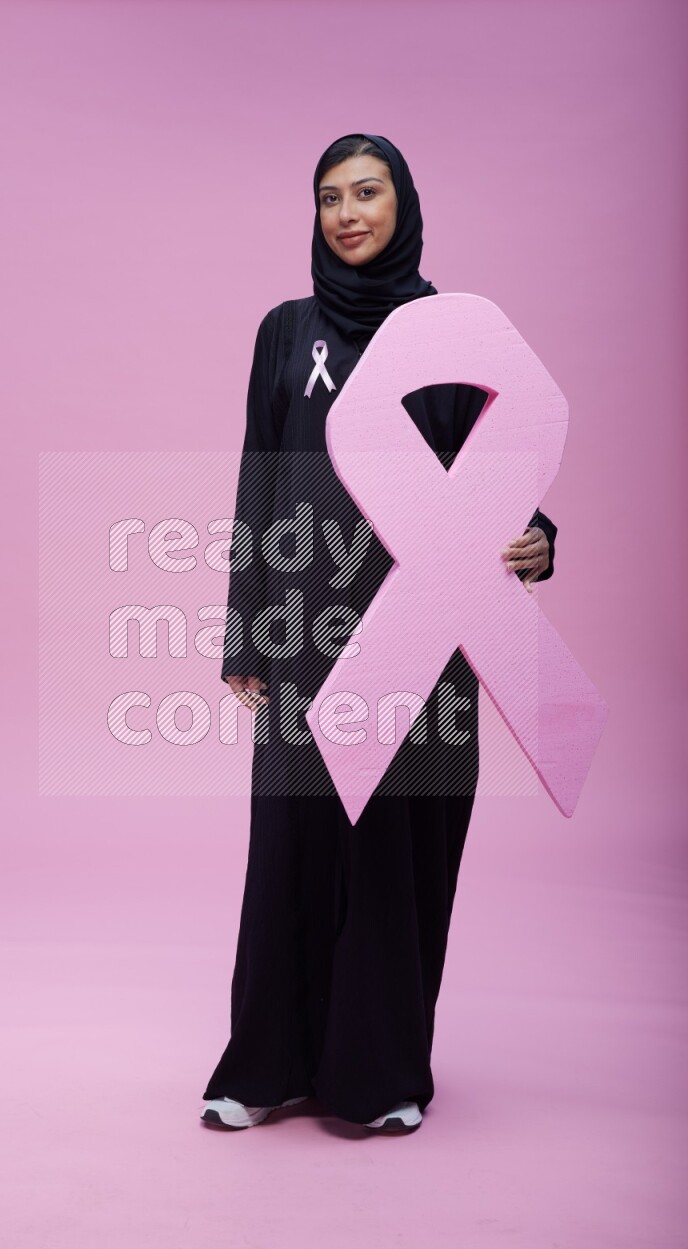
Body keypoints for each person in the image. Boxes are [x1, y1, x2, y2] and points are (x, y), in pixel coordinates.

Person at [200, 132, 557, 1134]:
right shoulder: (283, 331)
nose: (346, 213)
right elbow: (259, 480)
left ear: (401, 203)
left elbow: (508, 471)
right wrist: (245, 634)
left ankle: (380, 1075)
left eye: (365, 193)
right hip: (304, 638)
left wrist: (535, 540)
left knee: (392, 856)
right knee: (290, 849)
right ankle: (265, 1065)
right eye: (327, 197)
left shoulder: (457, 333)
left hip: (424, 636)